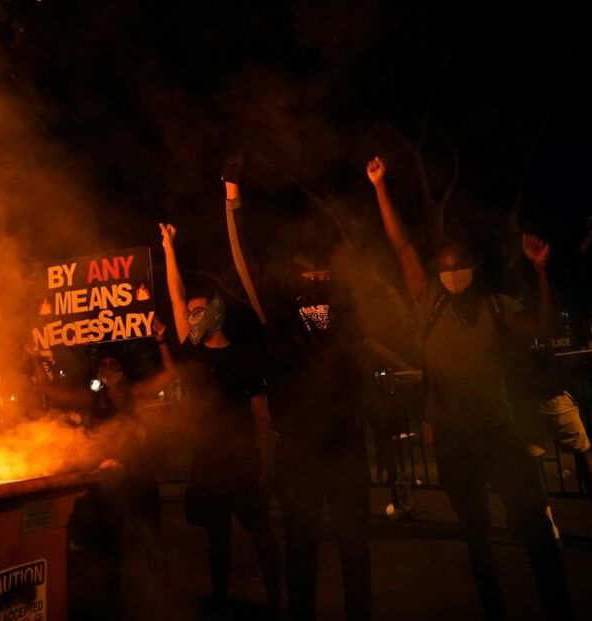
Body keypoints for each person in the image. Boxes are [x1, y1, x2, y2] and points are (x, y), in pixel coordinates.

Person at [367, 155, 573, 621]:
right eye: (446, 267)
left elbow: (542, 324)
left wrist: (541, 271)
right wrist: (379, 186)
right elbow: (402, 246)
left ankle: (559, 609)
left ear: (474, 268)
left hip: (499, 431)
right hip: (456, 439)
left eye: (460, 266)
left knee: (534, 525)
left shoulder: (495, 305)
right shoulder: (428, 303)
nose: (453, 273)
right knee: (476, 535)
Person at [222, 154, 372, 621]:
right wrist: (232, 197)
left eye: (322, 272)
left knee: (355, 545)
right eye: (309, 272)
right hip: (300, 449)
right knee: (302, 545)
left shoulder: (344, 302)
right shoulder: (278, 306)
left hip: (345, 442)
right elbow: (244, 260)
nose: (317, 278)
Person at [158, 220, 283, 620]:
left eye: (198, 312)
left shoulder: (244, 357)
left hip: (242, 463)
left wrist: (267, 463)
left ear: (215, 313)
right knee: (217, 540)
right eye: (189, 314)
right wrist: (169, 249)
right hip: (209, 465)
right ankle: (222, 604)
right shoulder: (195, 355)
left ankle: (278, 603)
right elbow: (176, 296)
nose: (191, 317)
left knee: (262, 535)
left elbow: (261, 413)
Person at [31, 321, 175, 620]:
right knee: (111, 548)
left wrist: (162, 342)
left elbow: (170, 376)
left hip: (139, 479)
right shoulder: (91, 399)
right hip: (107, 485)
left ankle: (159, 602)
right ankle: (114, 604)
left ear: (123, 370)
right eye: (103, 365)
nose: (108, 368)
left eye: (114, 364)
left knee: (150, 542)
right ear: (97, 372)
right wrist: (35, 356)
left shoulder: (134, 394)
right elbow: (47, 389)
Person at [514, 216, 592, 544]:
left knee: (536, 460)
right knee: (582, 450)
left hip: (527, 395)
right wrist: (541, 269)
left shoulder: (507, 302)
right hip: (548, 393)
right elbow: (546, 318)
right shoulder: (530, 304)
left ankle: (548, 526)